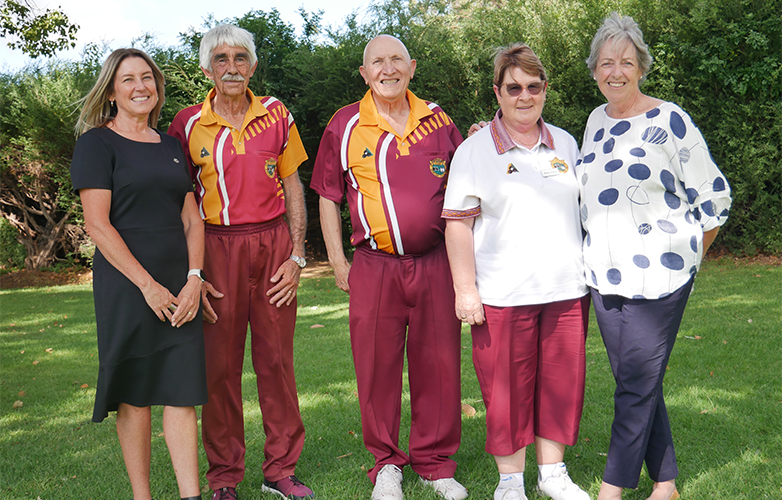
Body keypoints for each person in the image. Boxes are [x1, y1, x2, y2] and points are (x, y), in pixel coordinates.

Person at [577, 13, 732, 500]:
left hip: (661, 278)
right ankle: (666, 484)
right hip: (604, 275)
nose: (615, 72)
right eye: (606, 63)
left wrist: (687, 259)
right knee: (637, 380)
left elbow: (715, 198)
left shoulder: (671, 120)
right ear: (595, 70)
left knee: (634, 386)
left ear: (640, 66)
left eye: (625, 62)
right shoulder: (595, 121)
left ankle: (611, 489)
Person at [311, 35, 467, 500]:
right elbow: (327, 194)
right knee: (376, 367)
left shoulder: (438, 120)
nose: (388, 68)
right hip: (375, 265)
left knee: (438, 363)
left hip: (436, 262)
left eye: (396, 58)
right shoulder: (346, 124)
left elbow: (471, 179)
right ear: (364, 73)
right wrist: (338, 261)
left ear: (412, 66)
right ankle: (386, 464)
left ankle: (435, 464)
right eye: (377, 61)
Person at [167, 24, 313, 500]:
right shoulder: (187, 123)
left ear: (252, 65)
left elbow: (293, 186)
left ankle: (281, 470)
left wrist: (296, 254)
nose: (232, 67)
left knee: (276, 362)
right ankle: (225, 477)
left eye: (241, 58)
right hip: (217, 249)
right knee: (219, 369)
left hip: (271, 246)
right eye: (222, 59)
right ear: (207, 68)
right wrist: (192, 270)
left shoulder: (276, 113)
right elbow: (181, 203)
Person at [443, 43, 591, 500]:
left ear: (545, 90)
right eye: (513, 88)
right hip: (503, 294)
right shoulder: (473, 150)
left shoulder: (566, 143)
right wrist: (465, 290)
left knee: (561, 385)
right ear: (497, 92)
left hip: (566, 289)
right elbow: (458, 226)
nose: (523, 96)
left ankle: (553, 476)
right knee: (506, 391)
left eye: (533, 86)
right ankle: (510, 483)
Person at [70, 48, 206, 500]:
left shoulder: (171, 145)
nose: (140, 86)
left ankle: (191, 496)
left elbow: (192, 220)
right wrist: (147, 286)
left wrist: (193, 277)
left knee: (182, 390)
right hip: (128, 285)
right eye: (128, 79)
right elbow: (97, 224)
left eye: (147, 77)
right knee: (135, 393)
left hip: (179, 283)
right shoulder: (96, 144)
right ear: (111, 90)